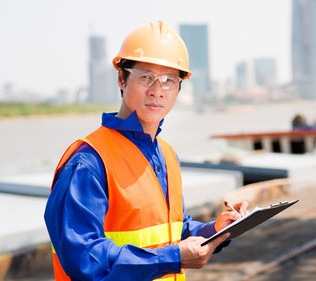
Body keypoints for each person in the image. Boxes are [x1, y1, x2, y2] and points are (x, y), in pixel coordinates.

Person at [44, 21, 248, 281]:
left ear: (179, 88)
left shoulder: (166, 154)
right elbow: (85, 257)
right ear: (121, 78)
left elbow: (172, 229)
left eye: (168, 80)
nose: (157, 91)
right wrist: (173, 257)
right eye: (145, 77)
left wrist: (214, 230)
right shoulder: (88, 162)